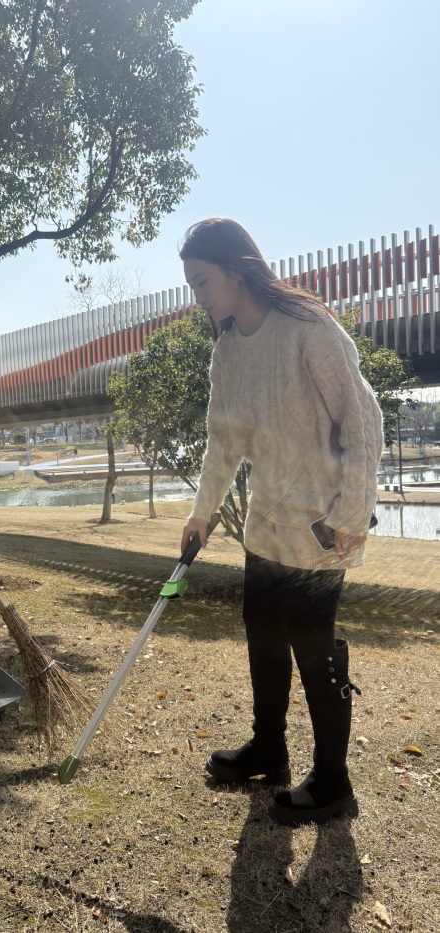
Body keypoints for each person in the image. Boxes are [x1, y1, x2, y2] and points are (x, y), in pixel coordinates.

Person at [179, 218, 383, 826]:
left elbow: (362, 421)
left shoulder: (308, 326)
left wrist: (352, 516)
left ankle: (333, 781)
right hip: (266, 526)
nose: (198, 296)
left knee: (314, 649)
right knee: (263, 636)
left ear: (236, 270)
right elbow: (223, 441)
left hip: (323, 527)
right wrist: (202, 512)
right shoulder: (227, 350)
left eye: (202, 281)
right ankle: (269, 749)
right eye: (192, 285)